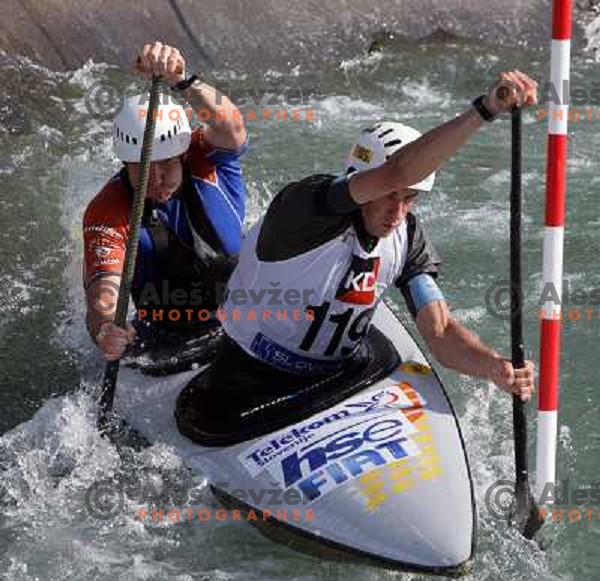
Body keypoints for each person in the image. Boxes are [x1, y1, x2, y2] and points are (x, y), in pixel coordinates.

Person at [175, 70, 537, 442]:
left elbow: (440, 331)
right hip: (249, 375)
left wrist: (493, 366)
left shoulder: (407, 234)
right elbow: (397, 171)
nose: (398, 212)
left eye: (410, 198)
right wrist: (486, 109)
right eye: (390, 195)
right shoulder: (305, 208)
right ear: (360, 182)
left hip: (341, 375)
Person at [83, 42, 247, 363]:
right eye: (144, 167)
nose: (158, 178)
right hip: (165, 339)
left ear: (184, 154)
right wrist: (105, 328)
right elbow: (103, 292)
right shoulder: (108, 209)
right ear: (126, 163)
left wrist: (182, 80)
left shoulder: (206, 159)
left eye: (169, 163)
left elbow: (233, 127)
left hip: (242, 318)